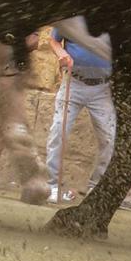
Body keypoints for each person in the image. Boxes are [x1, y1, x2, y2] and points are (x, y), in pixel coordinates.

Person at [37, 20, 114, 204]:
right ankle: (53, 186)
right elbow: (53, 40)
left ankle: (96, 188)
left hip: (103, 88)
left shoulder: (113, 14)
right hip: (74, 82)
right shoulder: (71, 17)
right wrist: (61, 52)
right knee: (59, 132)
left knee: (110, 139)